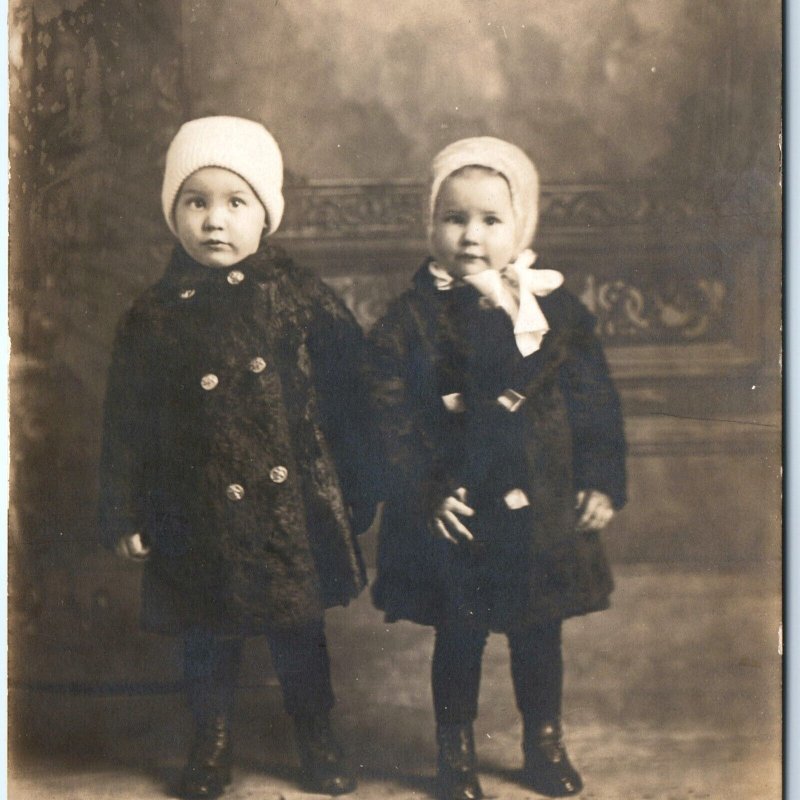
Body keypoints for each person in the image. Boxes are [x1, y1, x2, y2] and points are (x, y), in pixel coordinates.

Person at [99, 116, 374, 799]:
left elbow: (354, 400)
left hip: (287, 510)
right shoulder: (153, 316)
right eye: (196, 202)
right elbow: (126, 424)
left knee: (298, 631)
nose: (214, 221)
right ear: (174, 213)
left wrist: (358, 491)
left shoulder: (302, 300)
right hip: (195, 511)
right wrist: (124, 509)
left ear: (266, 215)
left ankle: (317, 733)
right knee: (207, 634)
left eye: (235, 202)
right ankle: (212, 738)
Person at [363, 137, 627, 800]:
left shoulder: (555, 312)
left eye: (490, 220)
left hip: (541, 503)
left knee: (540, 632)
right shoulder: (411, 320)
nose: (470, 235)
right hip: (457, 511)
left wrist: (600, 478)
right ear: (431, 225)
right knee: (461, 635)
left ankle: (543, 742)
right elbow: (388, 417)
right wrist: (423, 489)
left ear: (522, 226)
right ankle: (455, 754)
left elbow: (594, 399)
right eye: (454, 219)